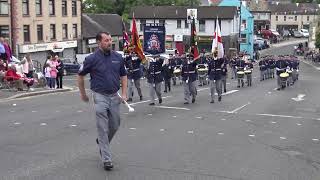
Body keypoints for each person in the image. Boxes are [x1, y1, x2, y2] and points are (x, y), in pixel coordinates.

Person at [78, 32, 127, 171]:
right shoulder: (91, 59)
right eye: (106, 40)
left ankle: (101, 142)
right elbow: (80, 76)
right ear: (99, 42)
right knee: (102, 127)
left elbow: (123, 75)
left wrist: (124, 93)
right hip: (99, 96)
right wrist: (83, 94)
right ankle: (106, 159)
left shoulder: (118, 57)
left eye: (110, 40)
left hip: (115, 95)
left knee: (115, 125)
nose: (109, 42)